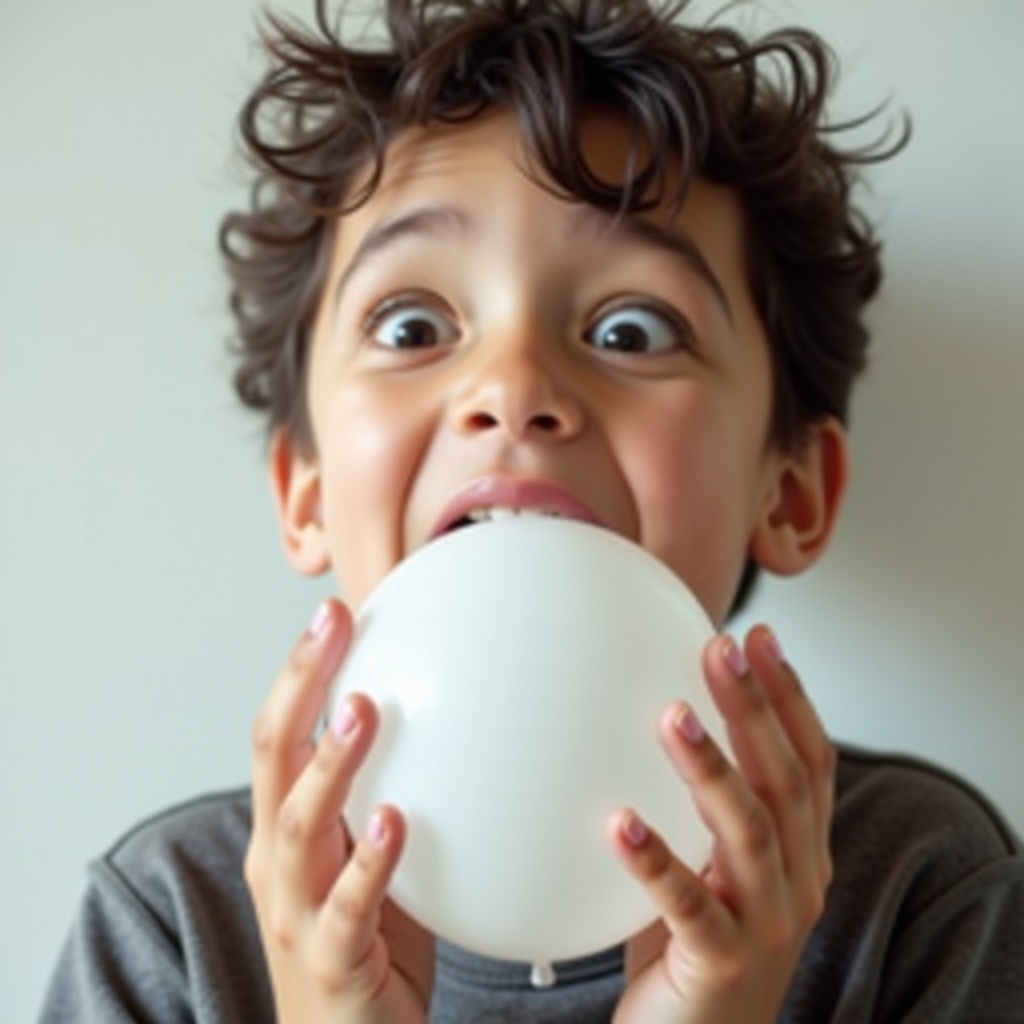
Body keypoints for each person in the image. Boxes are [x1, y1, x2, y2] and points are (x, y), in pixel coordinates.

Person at [40, 0, 1024, 1021]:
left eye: (633, 329)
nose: (513, 385)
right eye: (414, 323)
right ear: (306, 491)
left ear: (791, 493)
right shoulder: (173, 923)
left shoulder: (915, 889)